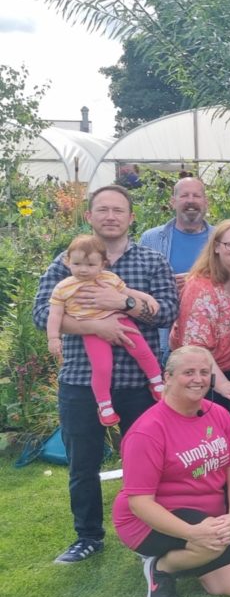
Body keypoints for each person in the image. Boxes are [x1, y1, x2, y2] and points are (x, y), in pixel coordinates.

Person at [33, 184, 179, 564]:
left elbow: (166, 312)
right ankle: (88, 536)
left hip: (137, 383)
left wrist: (124, 303)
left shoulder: (150, 262)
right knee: (83, 462)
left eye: (118, 210)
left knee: (147, 462)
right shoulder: (65, 264)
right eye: (103, 210)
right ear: (90, 216)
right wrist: (94, 329)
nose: (111, 216)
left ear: (131, 218)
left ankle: (149, 533)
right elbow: (40, 315)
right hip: (81, 380)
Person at [111, 346, 230, 597]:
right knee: (211, 541)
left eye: (204, 372)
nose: (198, 379)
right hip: (149, 520)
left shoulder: (218, 414)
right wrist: (192, 533)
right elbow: (139, 502)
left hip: (207, 516)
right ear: (168, 378)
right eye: (188, 372)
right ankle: (161, 566)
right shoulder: (147, 431)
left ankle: (189, 555)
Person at [47, 235, 166, 425]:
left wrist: (149, 299)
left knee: (143, 351)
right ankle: (105, 405)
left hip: (121, 320)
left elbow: (128, 292)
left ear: (103, 264)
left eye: (90, 265)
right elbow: (54, 314)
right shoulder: (63, 287)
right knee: (102, 367)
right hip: (92, 330)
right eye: (77, 264)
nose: (83, 269)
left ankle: (157, 383)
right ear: (67, 261)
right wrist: (54, 338)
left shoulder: (109, 278)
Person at [170, 219, 230, 402]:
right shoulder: (200, 287)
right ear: (216, 247)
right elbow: (195, 348)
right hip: (206, 375)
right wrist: (222, 384)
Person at [139, 176, 214, 358]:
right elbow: (138, 285)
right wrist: (166, 285)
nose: (190, 201)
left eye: (196, 196)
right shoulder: (151, 239)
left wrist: (197, 281)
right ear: (173, 202)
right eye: (184, 196)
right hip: (165, 337)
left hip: (211, 335)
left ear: (206, 202)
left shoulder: (220, 238)